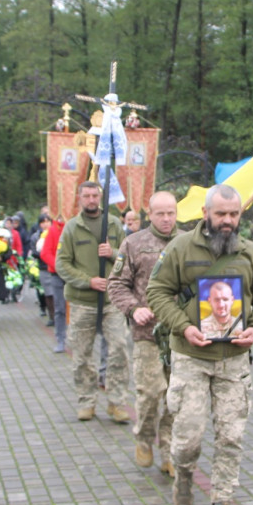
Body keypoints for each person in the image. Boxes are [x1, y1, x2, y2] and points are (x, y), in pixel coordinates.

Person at [146, 183, 253, 505]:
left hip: (234, 360)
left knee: (231, 436)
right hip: (191, 356)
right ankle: (185, 474)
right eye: (220, 213)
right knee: (188, 435)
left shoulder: (250, 253)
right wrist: (183, 326)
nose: (227, 220)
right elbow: (157, 291)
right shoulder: (180, 248)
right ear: (205, 213)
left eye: (234, 214)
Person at [108, 191, 179, 476]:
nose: (166, 219)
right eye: (160, 213)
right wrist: (133, 308)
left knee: (177, 398)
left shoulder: (188, 243)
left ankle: (170, 452)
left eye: (171, 213)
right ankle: (144, 438)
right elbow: (116, 285)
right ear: (149, 214)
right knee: (150, 394)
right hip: (148, 334)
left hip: (181, 336)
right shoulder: (133, 243)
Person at [55, 181, 130, 423]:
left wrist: (113, 253)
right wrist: (88, 281)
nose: (90, 200)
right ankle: (86, 401)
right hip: (82, 301)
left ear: (101, 198)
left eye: (94, 195)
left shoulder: (114, 224)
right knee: (82, 354)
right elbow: (62, 265)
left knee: (119, 349)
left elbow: (129, 259)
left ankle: (117, 402)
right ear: (79, 198)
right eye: (86, 196)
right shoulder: (72, 228)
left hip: (112, 300)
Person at [39, 214, 67, 352]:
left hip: (75, 274)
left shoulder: (75, 226)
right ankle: (61, 338)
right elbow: (45, 253)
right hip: (57, 274)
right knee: (59, 308)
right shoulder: (53, 230)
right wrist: (59, 266)